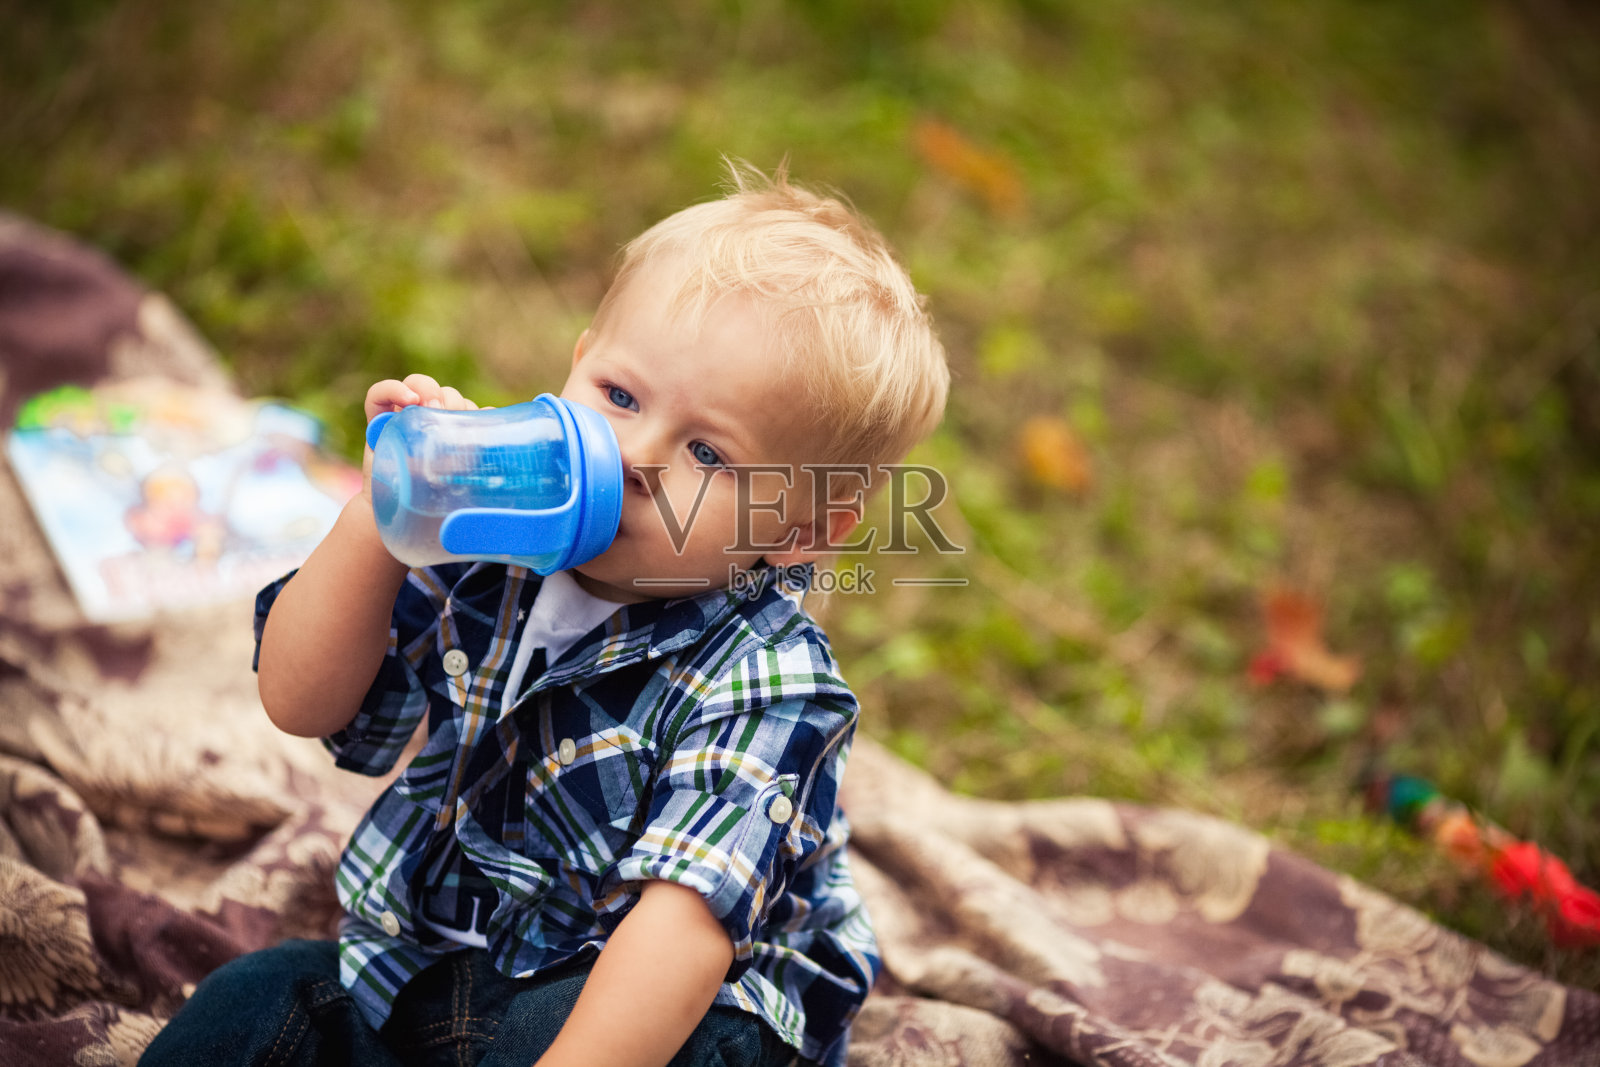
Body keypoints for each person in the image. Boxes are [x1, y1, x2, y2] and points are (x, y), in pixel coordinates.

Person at [139, 163, 948, 1067]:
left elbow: (680, 938)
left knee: (588, 1035)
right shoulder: (489, 538)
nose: (634, 453)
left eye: (709, 452)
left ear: (796, 529)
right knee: (258, 1000)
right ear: (578, 360)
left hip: (658, 1008)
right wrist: (379, 518)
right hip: (449, 960)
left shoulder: (771, 682)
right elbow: (302, 700)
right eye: (620, 396)